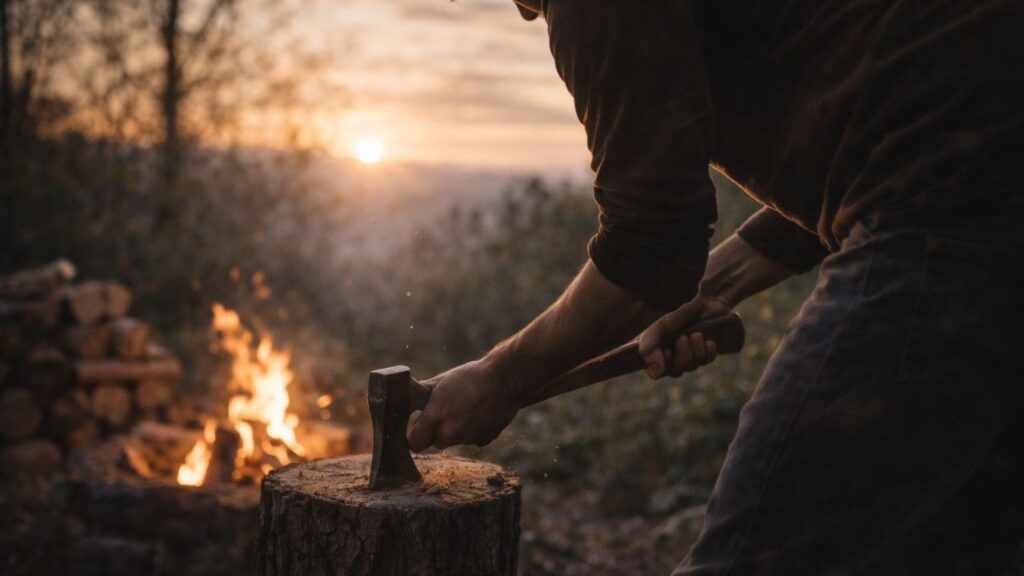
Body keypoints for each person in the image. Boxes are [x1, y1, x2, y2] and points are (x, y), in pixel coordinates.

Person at [408, 0, 1024, 573]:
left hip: (959, 208)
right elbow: (875, 121)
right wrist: (714, 287)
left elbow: (651, 244)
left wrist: (502, 377)